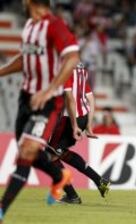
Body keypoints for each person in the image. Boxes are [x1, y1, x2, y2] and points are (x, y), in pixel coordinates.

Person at [0, 0, 80, 221]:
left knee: (25, 153)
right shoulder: (29, 26)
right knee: (30, 154)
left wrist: (50, 90)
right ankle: (60, 175)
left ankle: (2, 209)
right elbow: (26, 59)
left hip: (47, 101)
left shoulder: (55, 26)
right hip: (26, 99)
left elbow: (72, 58)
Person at [45, 63, 110, 204]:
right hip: (83, 117)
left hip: (69, 119)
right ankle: (99, 180)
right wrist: (88, 124)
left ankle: (72, 195)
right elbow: (91, 99)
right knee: (59, 152)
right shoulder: (80, 68)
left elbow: (70, 99)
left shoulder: (65, 68)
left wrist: (74, 125)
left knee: (51, 155)